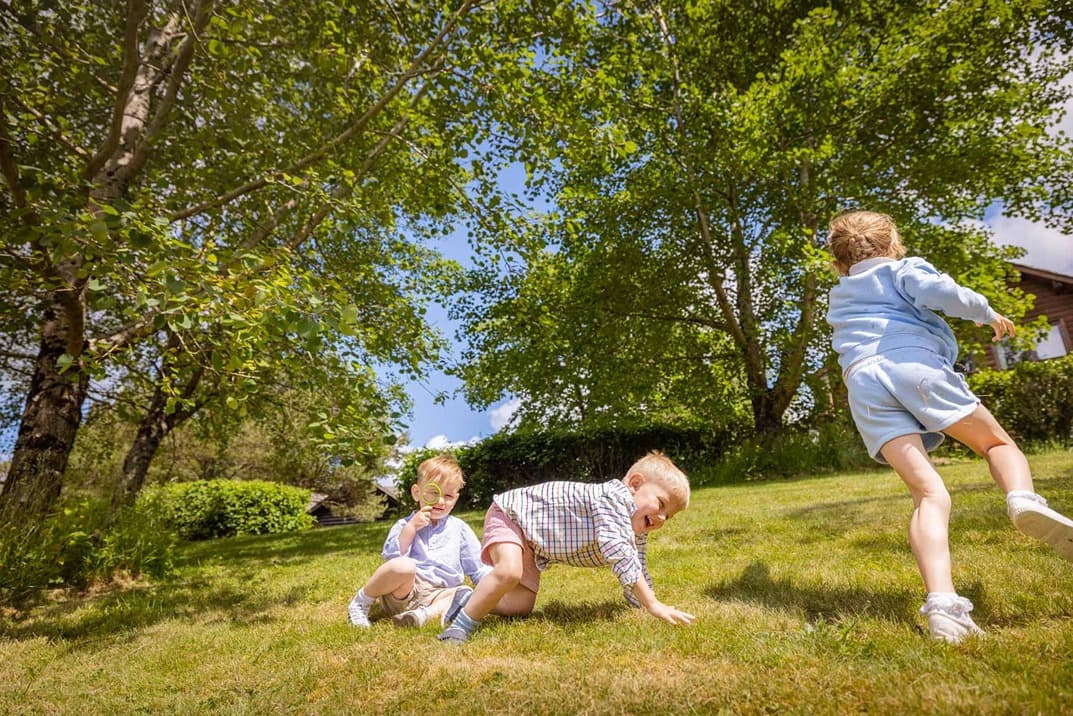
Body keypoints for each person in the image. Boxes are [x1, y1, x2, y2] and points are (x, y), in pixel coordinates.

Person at [825, 210, 1073, 644]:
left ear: (840, 259)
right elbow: (941, 291)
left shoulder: (841, 294)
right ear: (892, 244)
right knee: (997, 444)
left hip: (863, 384)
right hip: (913, 365)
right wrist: (986, 312)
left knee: (929, 494)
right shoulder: (903, 269)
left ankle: (943, 608)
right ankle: (1022, 499)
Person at [437, 451, 695, 644]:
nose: (661, 518)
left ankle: (463, 599)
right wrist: (652, 604)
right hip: (512, 515)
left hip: (533, 541)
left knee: (520, 606)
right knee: (509, 571)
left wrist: (643, 604)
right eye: (661, 504)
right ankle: (460, 627)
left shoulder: (635, 525)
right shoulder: (614, 499)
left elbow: (635, 565)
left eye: (668, 516)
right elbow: (619, 552)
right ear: (635, 485)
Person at [347, 455, 489, 629]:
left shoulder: (460, 528)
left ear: (456, 499)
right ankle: (360, 603)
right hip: (404, 592)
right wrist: (411, 529)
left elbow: (477, 569)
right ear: (417, 493)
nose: (440, 501)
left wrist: (497, 586)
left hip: (440, 594)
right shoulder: (404, 525)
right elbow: (392, 560)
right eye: (434, 492)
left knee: (466, 593)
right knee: (404, 566)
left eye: (449, 496)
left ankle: (420, 616)